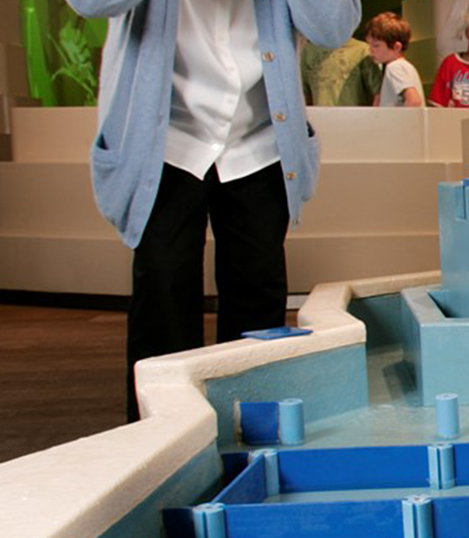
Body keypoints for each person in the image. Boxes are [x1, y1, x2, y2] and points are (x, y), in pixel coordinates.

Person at [66, 0, 359, 423]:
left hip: (260, 143)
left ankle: (253, 435)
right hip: (164, 141)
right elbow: (91, 4)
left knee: (258, 296)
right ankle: (162, 438)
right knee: (163, 293)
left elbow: (332, 28)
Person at [366, 12, 423, 107]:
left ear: (397, 47)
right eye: (369, 45)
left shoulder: (394, 67)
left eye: (376, 45)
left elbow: (414, 100)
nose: (370, 50)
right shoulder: (406, 66)